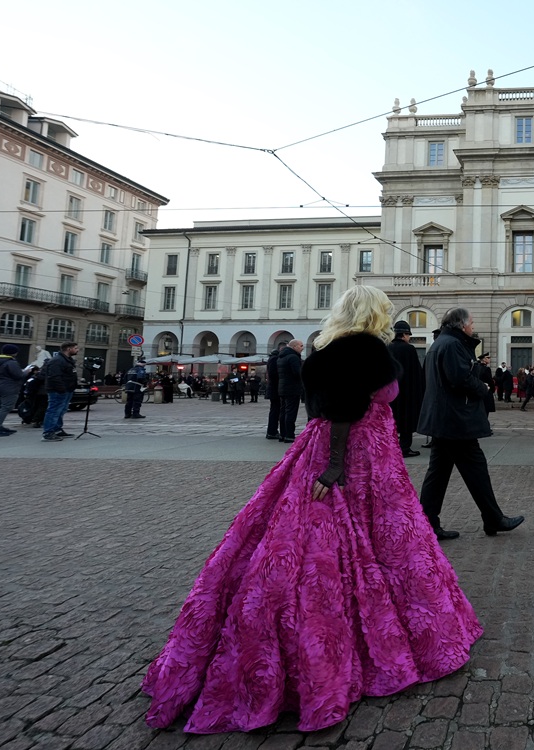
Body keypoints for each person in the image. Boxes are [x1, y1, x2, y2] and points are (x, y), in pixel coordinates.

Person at [142, 285, 483, 735]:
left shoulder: (325, 346)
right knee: (365, 535)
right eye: (383, 309)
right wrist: (336, 465)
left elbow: (325, 405)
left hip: (335, 445)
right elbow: (344, 407)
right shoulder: (365, 349)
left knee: (335, 532)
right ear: (372, 314)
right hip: (359, 454)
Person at [417, 307, 524, 540]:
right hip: (456, 420)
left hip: (445, 419)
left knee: (438, 473)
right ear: (461, 324)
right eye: (472, 323)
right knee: (474, 469)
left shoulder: (440, 343)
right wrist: (483, 388)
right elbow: (459, 379)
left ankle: (427, 524)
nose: (473, 327)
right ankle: (493, 518)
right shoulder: (453, 345)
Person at [388, 320, 425, 457]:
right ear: (404, 334)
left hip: (391, 392)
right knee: (406, 422)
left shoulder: (388, 348)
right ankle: (404, 448)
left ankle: (391, 447)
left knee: (392, 420)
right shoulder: (409, 349)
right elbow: (416, 373)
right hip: (407, 392)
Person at [0, 344, 27, 437]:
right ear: (14, 352)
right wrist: (26, 372)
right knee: (6, 407)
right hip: (9, 387)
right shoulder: (11, 362)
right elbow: (18, 375)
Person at [41, 342, 79, 441]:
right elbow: (54, 376)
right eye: (75, 348)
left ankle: (57, 429)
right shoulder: (57, 361)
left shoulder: (68, 360)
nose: (77, 350)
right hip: (58, 390)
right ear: (68, 349)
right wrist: (61, 389)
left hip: (67, 389)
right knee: (54, 410)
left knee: (61, 410)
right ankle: (48, 432)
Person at [277, 338, 305, 443]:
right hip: (292, 388)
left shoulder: (282, 357)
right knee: (291, 412)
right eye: (301, 346)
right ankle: (289, 434)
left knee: (283, 411)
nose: (302, 348)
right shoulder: (293, 357)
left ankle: (282, 434)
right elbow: (298, 373)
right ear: (294, 347)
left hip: (283, 387)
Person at [265, 347, 281, 439]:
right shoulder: (274, 359)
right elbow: (273, 374)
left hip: (274, 389)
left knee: (275, 410)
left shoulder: (272, 359)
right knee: (275, 411)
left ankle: (272, 431)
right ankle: (272, 431)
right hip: (275, 389)